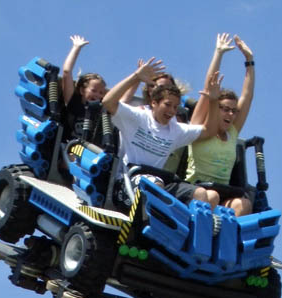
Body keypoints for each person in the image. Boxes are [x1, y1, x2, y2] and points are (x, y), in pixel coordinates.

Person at [101, 58, 221, 194]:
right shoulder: (138, 117)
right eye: (167, 105)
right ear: (154, 103)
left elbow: (209, 131)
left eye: (175, 107)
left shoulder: (176, 130)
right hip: (128, 181)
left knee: (205, 195)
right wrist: (136, 77)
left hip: (158, 181)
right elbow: (108, 102)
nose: (171, 111)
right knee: (156, 186)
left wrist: (213, 100)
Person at [180, 34, 257, 215]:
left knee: (243, 204)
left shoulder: (232, 132)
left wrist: (249, 60)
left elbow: (247, 96)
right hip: (196, 192)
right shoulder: (200, 127)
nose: (230, 114)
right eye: (225, 109)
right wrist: (219, 53)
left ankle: (224, 241)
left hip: (223, 193)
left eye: (233, 110)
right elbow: (209, 89)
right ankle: (201, 238)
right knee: (211, 196)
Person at [60, 35, 107, 143]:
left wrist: (137, 78)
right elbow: (67, 72)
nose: (97, 95)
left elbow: (123, 101)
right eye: (93, 90)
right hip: (68, 148)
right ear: (82, 90)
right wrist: (76, 47)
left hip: (89, 153)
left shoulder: (100, 112)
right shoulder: (74, 104)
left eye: (101, 93)